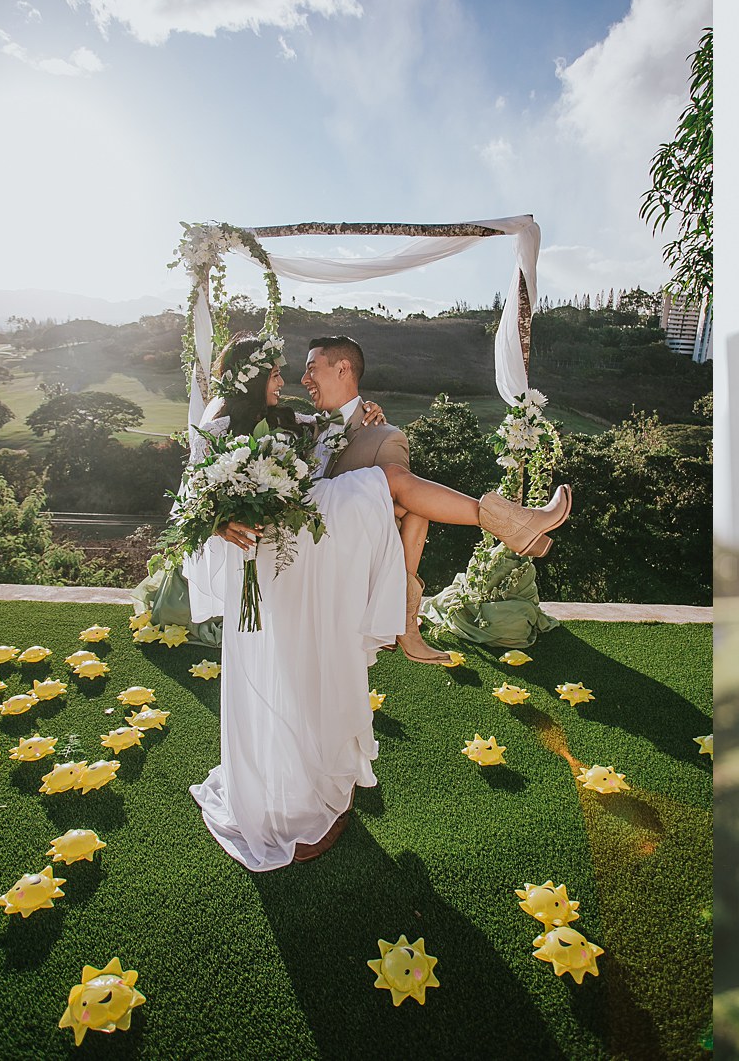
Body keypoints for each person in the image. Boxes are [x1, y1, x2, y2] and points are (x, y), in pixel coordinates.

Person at [186, 333, 569, 868]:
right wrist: (221, 516)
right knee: (389, 482)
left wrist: (360, 423)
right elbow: (196, 494)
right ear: (250, 376)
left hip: (313, 541)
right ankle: (514, 523)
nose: (290, 379)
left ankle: (514, 524)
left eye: (301, 369)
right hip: (286, 543)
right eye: (277, 372)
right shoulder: (230, 422)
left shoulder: (329, 424)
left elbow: (355, 474)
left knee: (392, 479)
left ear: (342, 367)